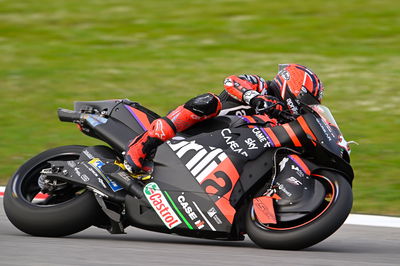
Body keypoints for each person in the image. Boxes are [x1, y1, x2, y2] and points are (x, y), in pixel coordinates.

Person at [124, 64, 324, 174]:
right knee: (208, 101)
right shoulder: (261, 85)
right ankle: (143, 144)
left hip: (226, 147)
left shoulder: (285, 116)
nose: (304, 105)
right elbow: (231, 81)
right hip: (205, 125)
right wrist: (253, 97)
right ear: (292, 86)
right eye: (305, 98)